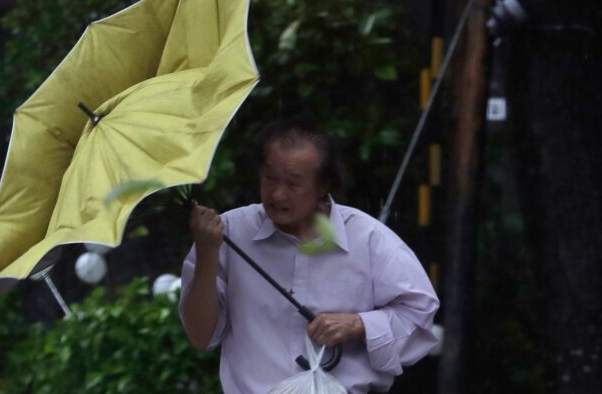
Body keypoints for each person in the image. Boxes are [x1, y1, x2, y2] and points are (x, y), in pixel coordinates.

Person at [179, 117, 439, 394]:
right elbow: (200, 336)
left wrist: (359, 324)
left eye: (293, 184)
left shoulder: (369, 239)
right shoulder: (227, 234)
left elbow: (418, 315)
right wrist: (207, 254)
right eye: (269, 178)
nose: (277, 194)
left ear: (323, 185)